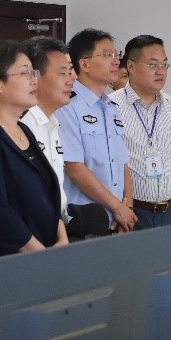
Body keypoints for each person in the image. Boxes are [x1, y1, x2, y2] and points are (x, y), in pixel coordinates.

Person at [0, 40, 68, 263]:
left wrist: (62, 237)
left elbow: (46, 194)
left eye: (34, 72)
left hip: (43, 257)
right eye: (25, 73)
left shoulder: (24, 130)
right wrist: (42, 255)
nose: (34, 80)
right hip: (7, 265)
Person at [19, 36, 109, 239]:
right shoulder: (21, 126)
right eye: (63, 72)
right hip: (31, 240)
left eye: (71, 71)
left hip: (57, 233)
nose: (72, 79)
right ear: (34, 77)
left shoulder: (53, 123)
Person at [58, 28, 136, 234]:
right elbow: (74, 167)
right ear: (85, 64)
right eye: (108, 55)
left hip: (116, 220)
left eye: (116, 54)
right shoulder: (67, 106)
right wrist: (117, 207)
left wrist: (127, 208)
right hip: (84, 222)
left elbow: (123, 162)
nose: (116, 61)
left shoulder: (111, 107)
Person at [112, 35, 171, 229]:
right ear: (131, 66)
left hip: (169, 212)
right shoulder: (111, 106)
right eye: (153, 65)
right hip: (131, 213)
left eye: (164, 65)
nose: (161, 71)